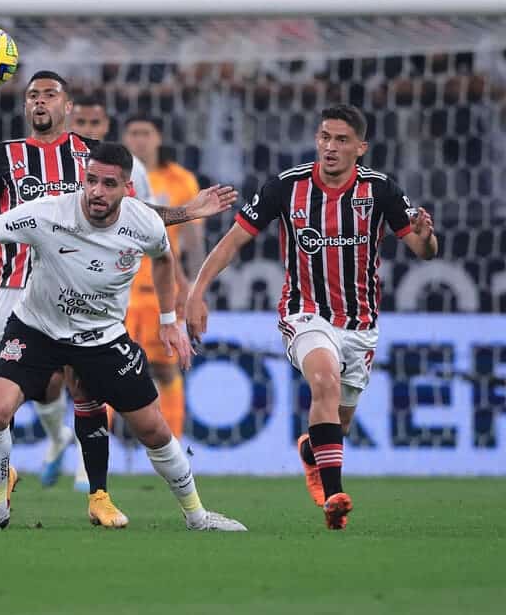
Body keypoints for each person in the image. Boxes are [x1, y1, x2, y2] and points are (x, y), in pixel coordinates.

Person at [0, 142, 246, 533]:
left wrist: (168, 319)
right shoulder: (46, 213)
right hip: (37, 328)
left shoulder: (143, 222)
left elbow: (163, 259)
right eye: (91, 180)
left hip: (102, 337)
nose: (96, 191)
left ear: (127, 188)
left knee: (153, 429)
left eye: (108, 184)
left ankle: (197, 515)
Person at [186, 104, 438, 530]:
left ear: (361, 147)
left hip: (360, 324)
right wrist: (197, 293)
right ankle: (334, 497)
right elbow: (232, 242)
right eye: (324, 137)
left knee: (338, 424)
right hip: (304, 312)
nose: (330, 146)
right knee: (324, 381)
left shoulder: (380, 190)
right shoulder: (286, 187)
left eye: (342, 140)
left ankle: (311, 452)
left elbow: (422, 251)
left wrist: (426, 235)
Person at [64, 93, 151, 495]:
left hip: (115, 289)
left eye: (95, 122)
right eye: (80, 120)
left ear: (105, 126)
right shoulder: (56, 166)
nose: (87, 128)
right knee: (61, 378)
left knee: (98, 376)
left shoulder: (131, 171)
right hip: (56, 286)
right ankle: (61, 443)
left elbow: (149, 224)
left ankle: (88, 467)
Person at [122, 114, 203, 439]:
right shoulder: (112, 178)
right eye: (133, 133)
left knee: (165, 369)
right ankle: (92, 459)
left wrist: (196, 288)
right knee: (106, 370)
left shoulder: (179, 180)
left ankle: (175, 443)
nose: (139, 140)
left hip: (162, 289)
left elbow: (195, 242)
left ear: (158, 138)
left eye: (145, 132)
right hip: (119, 288)